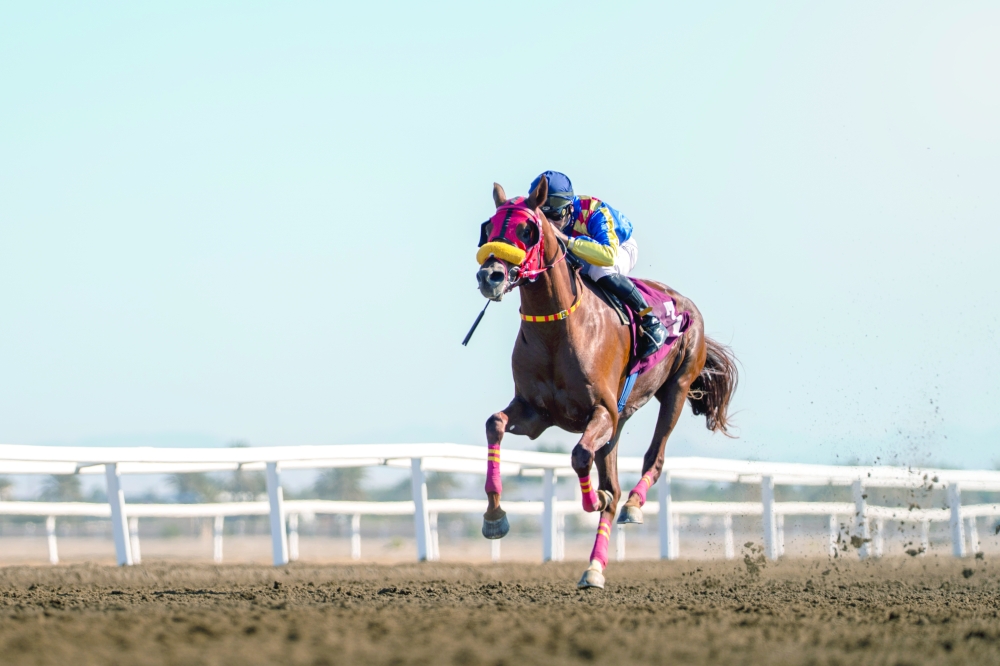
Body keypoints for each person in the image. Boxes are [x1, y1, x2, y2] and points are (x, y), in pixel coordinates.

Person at [529, 170, 667, 359]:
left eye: (555, 213)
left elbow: (608, 255)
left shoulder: (593, 211)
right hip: (581, 252)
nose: (550, 222)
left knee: (599, 269)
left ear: (569, 208)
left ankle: (651, 320)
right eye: (544, 216)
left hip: (619, 248)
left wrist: (564, 239)